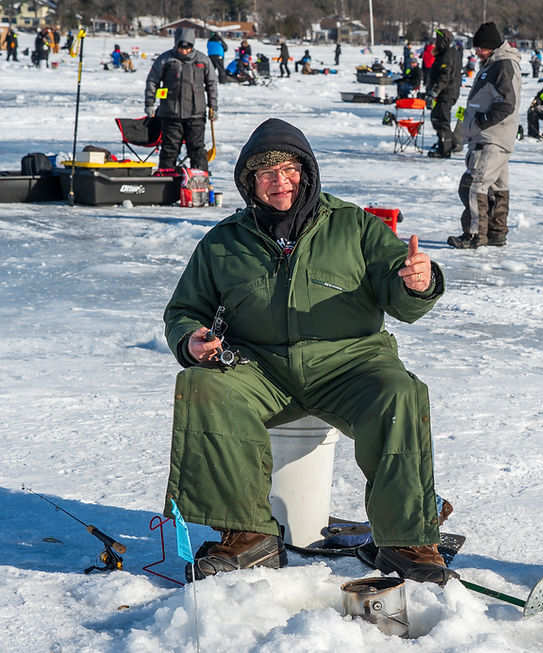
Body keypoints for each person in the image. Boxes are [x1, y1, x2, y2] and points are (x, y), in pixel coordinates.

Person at [163, 117, 454, 585]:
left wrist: (420, 280)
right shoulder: (223, 242)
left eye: (289, 168)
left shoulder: (354, 225)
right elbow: (184, 309)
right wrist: (190, 338)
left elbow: (399, 290)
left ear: (307, 171)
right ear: (249, 182)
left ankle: (406, 540)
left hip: (351, 364)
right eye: (267, 172)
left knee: (400, 393)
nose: (281, 181)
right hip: (260, 369)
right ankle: (247, 535)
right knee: (202, 387)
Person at [448, 21, 521, 249]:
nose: (476, 51)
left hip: (491, 139)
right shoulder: (493, 64)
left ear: (491, 46)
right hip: (492, 138)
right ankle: (496, 233)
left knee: (472, 185)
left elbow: (506, 104)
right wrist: (462, 119)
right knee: (496, 188)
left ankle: (473, 235)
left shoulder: (503, 66)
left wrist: (479, 123)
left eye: (479, 47)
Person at [144, 29, 218, 171]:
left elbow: (212, 85)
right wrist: (150, 103)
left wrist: (213, 107)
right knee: (169, 149)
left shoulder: (203, 60)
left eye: (187, 48)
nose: (184, 51)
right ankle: (166, 180)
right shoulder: (166, 59)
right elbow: (152, 81)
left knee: (197, 150)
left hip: (196, 114)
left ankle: (199, 181)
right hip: (170, 114)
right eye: (181, 47)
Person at [425, 28, 461, 158]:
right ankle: (453, 143)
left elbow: (444, 77)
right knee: (438, 117)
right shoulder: (450, 53)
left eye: (437, 39)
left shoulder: (447, 55)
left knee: (440, 120)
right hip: (449, 92)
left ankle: (444, 149)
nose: (435, 42)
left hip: (446, 92)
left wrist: (434, 92)